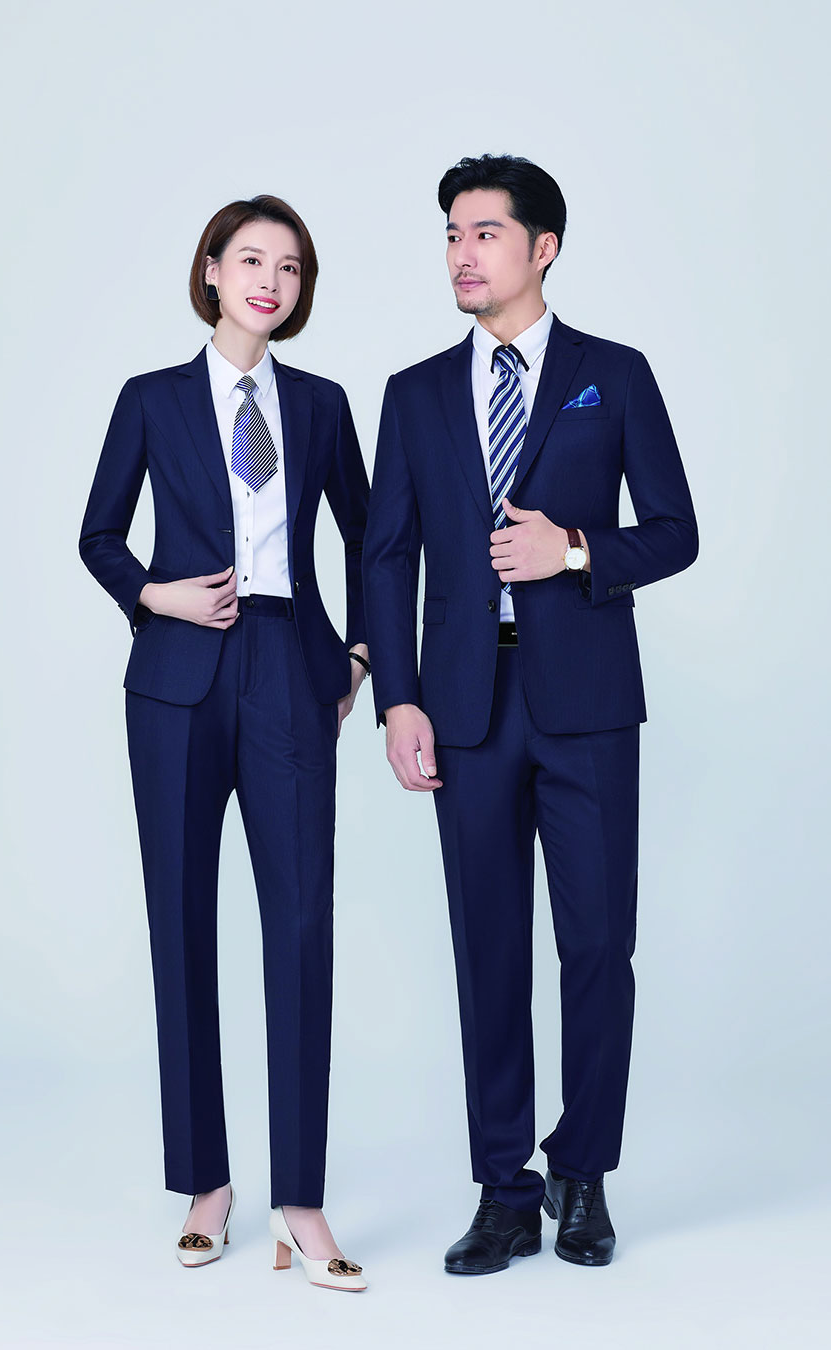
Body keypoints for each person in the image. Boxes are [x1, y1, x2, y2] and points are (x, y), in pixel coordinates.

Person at [362, 154, 698, 1273]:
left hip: (587, 703)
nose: (462, 254)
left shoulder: (615, 374)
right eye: (452, 235)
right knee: (489, 948)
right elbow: (387, 555)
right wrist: (398, 698)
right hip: (463, 705)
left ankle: (582, 1173)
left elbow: (677, 530)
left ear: (542, 247)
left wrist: (578, 550)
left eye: (486, 233)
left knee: (598, 946)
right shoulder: (414, 393)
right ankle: (503, 1188)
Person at [79, 194, 369, 1292]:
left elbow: (374, 538)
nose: (269, 281)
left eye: (289, 268)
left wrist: (357, 658)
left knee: (301, 926)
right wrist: (155, 594)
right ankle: (206, 1181)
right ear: (210, 270)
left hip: (291, 668)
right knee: (182, 921)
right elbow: (98, 534)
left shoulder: (323, 405)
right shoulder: (151, 399)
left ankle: (302, 1198)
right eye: (250, 259)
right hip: (178, 679)